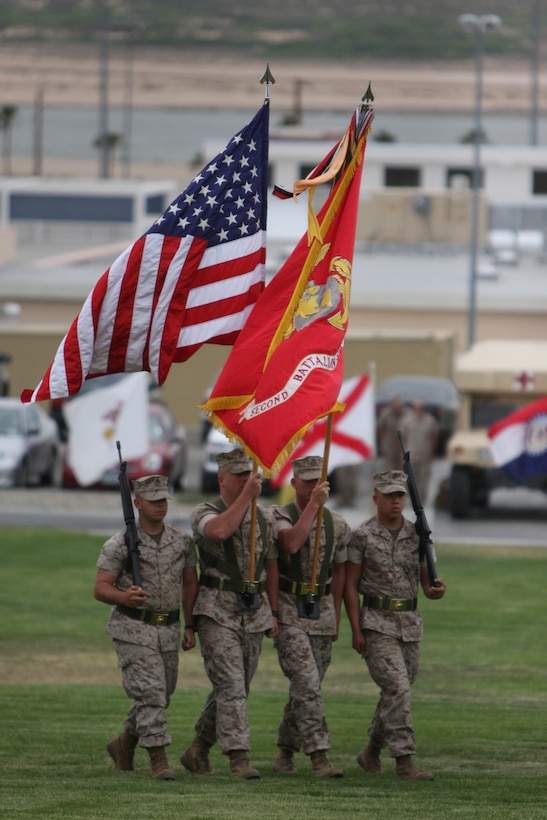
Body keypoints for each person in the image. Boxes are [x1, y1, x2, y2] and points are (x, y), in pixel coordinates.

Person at [180, 448, 279, 780]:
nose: (246, 480)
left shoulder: (264, 519)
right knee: (232, 686)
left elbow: (271, 566)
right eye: (238, 475)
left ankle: (198, 749)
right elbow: (218, 532)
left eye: (248, 474)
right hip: (216, 610)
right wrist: (246, 499)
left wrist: (274, 611)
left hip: (253, 613)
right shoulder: (204, 511)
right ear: (222, 478)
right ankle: (238, 758)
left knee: (237, 687)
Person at [93, 474, 198, 780]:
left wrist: (190, 625)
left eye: (164, 500)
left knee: (161, 694)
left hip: (167, 629)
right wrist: (124, 596)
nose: (160, 506)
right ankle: (159, 761)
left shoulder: (182, 542)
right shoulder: (119, 544)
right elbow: (100, 588)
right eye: (154, 501)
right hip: (132, 628)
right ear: (137, 503)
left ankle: (124, 743)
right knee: (150, 693)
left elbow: (190, 583)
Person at [344, 470, 446, 781]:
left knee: (395, 691)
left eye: (400, 495)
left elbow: (427, 581)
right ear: (376, 498)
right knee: (398, 688)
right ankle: (404, 760)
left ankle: (372, 750)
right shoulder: (361, 535)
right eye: (389, 495)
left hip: (410, 624)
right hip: (376, 623)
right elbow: (350, 585)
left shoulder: (418, 535)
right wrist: (356, 629)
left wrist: (434, 590)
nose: (396, 501)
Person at [270, 456, 351, 778]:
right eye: (306, 482)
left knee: (309, 685)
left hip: (322, 609)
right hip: (290, 607)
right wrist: (312, 508)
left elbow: (341, 573)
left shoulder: (339, 525)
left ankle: (285, 751)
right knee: (306, 681)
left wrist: (337, 616)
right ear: (294, 484)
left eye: (319, 482)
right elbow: (289, 543)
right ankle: (319, 755)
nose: (313, 487)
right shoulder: (278, 515)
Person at [400, 399, 439, 504]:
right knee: (410, 478)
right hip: (411, 455)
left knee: (423, 479)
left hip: (425, 455)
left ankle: (422, 499)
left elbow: (434, 437)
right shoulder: (408, 420)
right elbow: (404, 437)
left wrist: (432, 453)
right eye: (417, 408)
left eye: (420, 408)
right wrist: (402, 453)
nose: (418, 410)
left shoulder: (430, 420)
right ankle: (410, 499)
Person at [377, 394, 409, 470]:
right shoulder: (385, 414)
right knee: (390, 468)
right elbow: (381, 428)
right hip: (390, 445)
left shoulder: (406, 414)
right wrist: (382, 443)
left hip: (402, 447)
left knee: (401, 469)